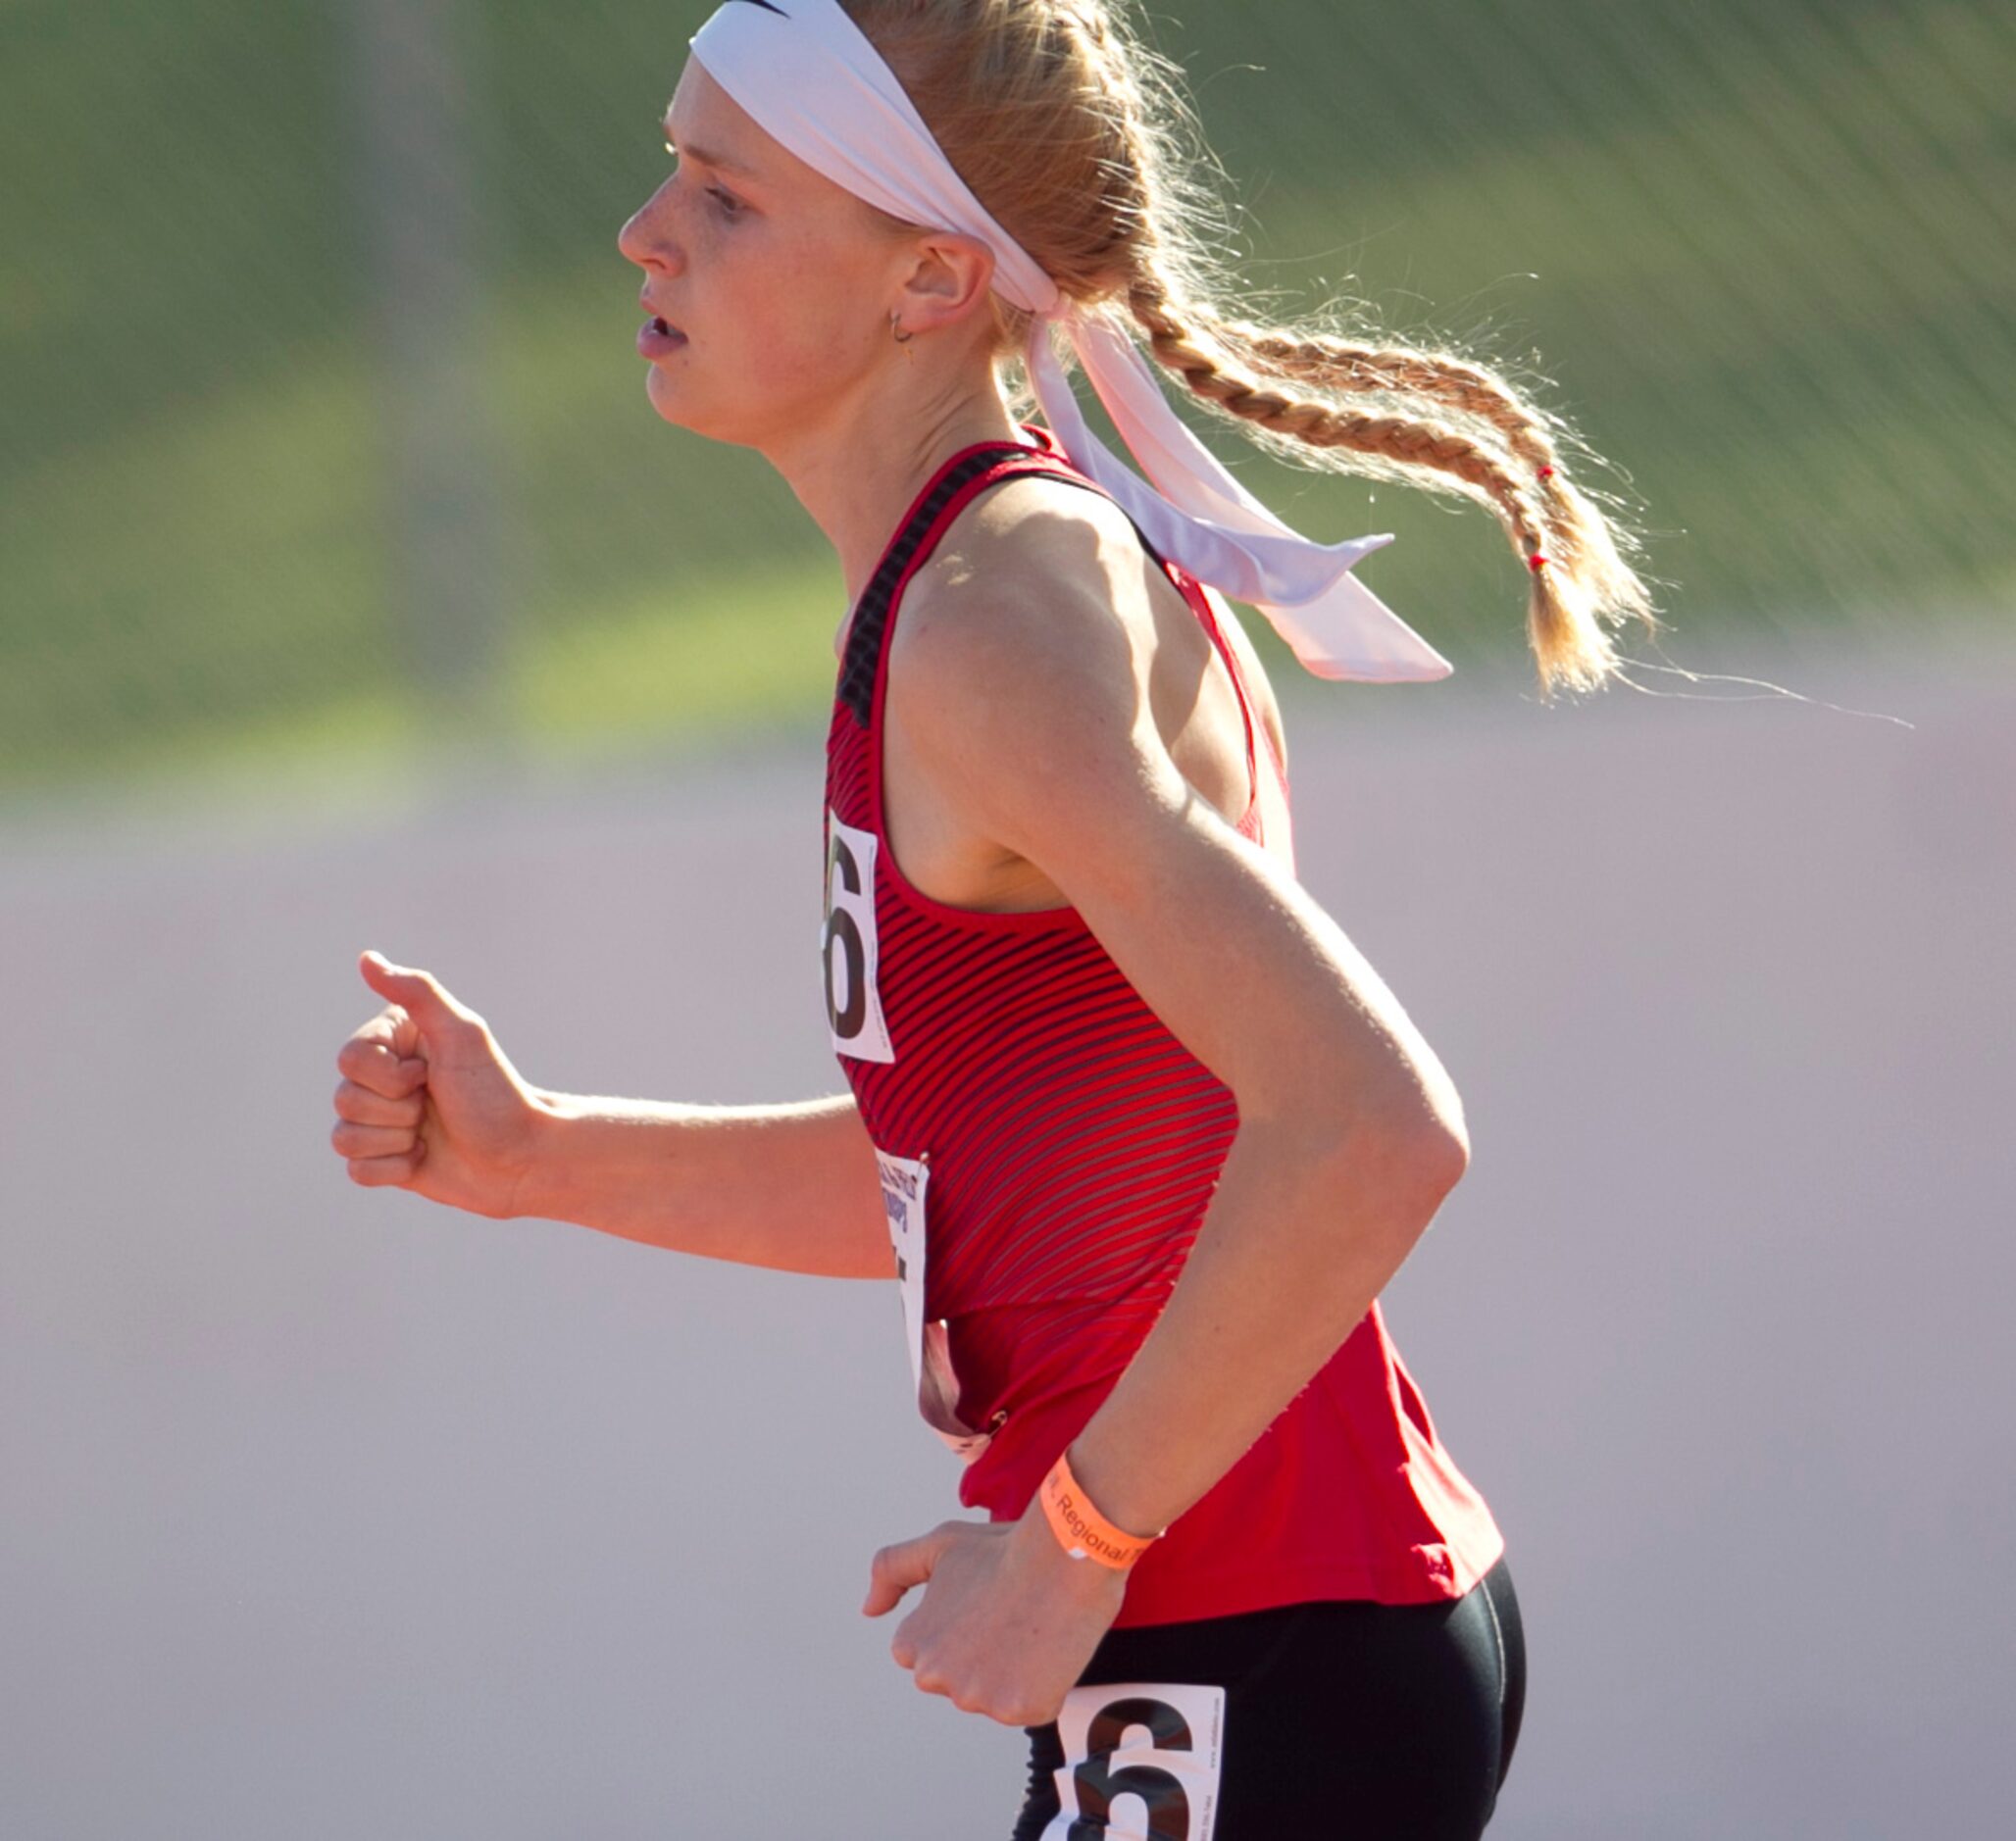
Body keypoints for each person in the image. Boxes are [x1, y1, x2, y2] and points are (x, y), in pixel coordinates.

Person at [331, 2, 1662, 1832]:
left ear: (930, 282)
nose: (645, 229)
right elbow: (1008, 1172)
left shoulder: (992, 619)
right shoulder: (974, 582)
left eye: (724, 196)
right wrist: (542, 1154)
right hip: (1268, 1623)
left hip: (1252, 1628)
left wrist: (1069, 1544)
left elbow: (1372, 1129)